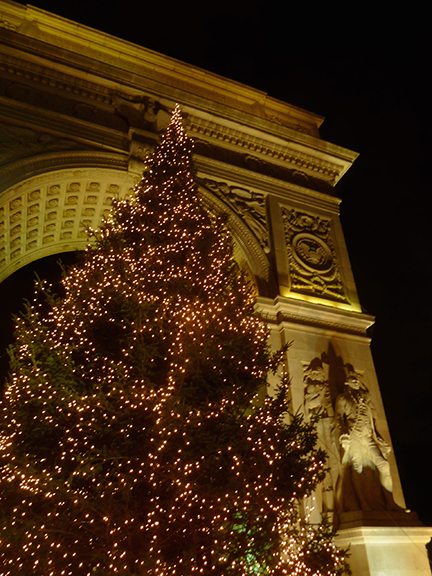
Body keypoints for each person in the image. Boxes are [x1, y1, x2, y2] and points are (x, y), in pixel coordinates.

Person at [335, 368, 395, 512]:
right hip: (354, 435)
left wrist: (380, 438)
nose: (356, 381)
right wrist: (344, 434)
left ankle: (390, 503)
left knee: (384, 465)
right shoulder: (343, 398)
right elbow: (338, 417)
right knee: (357, 467)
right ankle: (363, 504)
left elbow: (372, 422)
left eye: (357, 379)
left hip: (368, 436)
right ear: (347, 383)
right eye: (353, 379)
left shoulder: (364, 399)